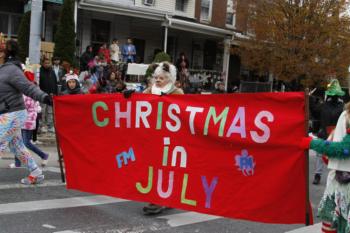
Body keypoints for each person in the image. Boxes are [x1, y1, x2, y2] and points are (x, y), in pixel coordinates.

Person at [0, 38, 52, 184]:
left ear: (2, 54)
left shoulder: (11, 70)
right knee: (17, 147)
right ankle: (36, 173)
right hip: (5, 114)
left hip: (13, 114)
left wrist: (45, 97)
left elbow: (28, 87)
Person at [301, 102, 350, 233]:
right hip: (340, 178)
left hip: (345, 184)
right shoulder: (346, 113)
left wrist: (313, 143)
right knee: (333, 222)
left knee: (340, 223)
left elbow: (345, 148)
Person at [142, 62, 183, 214]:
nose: (158, 80)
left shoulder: (177, 92)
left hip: (170, 138)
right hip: (152, 137)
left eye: (162, 78)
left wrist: (169, 101)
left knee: (166, 169)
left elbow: (183, 111)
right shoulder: (150, 90)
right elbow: (138, 101)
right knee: (153, 168)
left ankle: (159, 200)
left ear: (169, 79)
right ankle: (160, 199)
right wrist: (128, 96)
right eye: (156, 77)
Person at [10, 70, 50, 168]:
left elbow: (26, 105)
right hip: (21, 119)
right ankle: (18, 163)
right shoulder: (25, 89)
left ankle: (44, 155)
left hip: (28, 120)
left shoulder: (30, 90)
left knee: (25, 142)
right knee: (17, 140)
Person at [313, 79, 344, 185]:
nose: (334, 97)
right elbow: (315, 112)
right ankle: (317, 174)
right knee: (319, 154)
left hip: (337, 133)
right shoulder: (324, 105)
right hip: (324, 132)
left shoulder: (343, 107)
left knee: (336, 154)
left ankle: (337, 174)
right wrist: (310, 99)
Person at [39, 57, 57, 133]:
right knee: (42, 110)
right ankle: (42, 126)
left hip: (51, 94)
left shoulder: (52, 71)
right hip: (42, 94)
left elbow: (54, 82)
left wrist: (54, 92)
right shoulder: (39, 71)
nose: (47, 64)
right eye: (45, 63)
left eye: (48, 63)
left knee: (50, 111)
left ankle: (50, 126)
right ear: (42, 63)